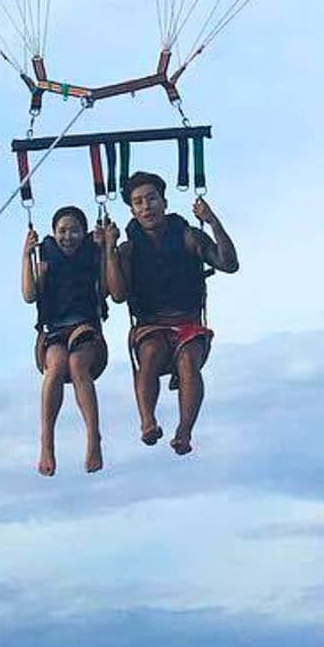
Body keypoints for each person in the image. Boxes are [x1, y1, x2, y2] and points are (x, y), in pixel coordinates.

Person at [104, 169, 238, 456]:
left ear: (164, 202)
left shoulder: (188, 236)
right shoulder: (128, 249)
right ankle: (147, 422)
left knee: (188, 360)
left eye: (151, 199)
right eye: (138, 202)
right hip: (150, 326)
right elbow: (117, 295)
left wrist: (212, 221)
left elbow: (229, 264)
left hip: (188, 324)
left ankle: (184, 432)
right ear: (132, 211)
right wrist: (108, 248)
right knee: (150, 354)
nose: (146, 207)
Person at [22, 205, 113, 476]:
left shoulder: (92, 253)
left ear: (84, 233)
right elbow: (29, 296)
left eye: (75, 231)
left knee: (76, 365)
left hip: (86, 326)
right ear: (53, 233)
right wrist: (26, 257)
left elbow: (107, 290)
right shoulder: (44, 256)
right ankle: (47, 442)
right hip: (54, 330)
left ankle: (93, 437)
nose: (68, 236)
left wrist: (106, 250)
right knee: (55, 366)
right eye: (62, 231)